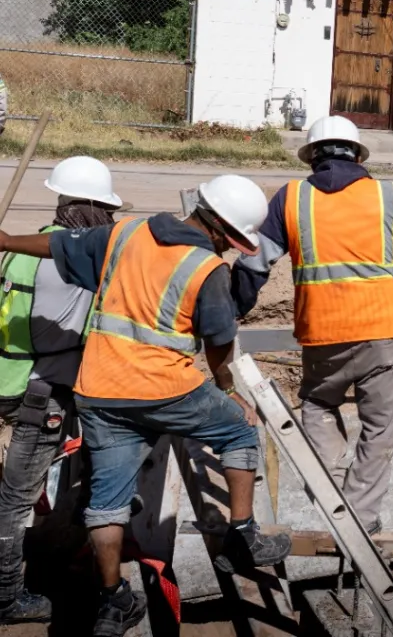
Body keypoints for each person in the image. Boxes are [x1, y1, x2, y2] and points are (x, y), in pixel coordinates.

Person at [0, 174, 292, 637]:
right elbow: (219, 342)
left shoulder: (127, 231)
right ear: (222, 231)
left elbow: (58, 248)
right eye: (233, 241)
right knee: (238, 429)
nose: (232, 250)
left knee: (107, 504)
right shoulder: (207, 269)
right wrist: (226, 388)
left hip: (97, 389)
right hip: (163, 388)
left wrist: (6, 240)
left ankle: (113, 600)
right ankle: (242, 536)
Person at [230, 116, 393, 534]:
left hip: (323, 333)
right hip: (384, 331)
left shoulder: (293, 198)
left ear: (313, 156)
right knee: (379, 427)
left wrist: (233, 309)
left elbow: (253, 261)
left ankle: (336, 497)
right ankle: (362, 517)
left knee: (318, 407)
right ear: (358, 155)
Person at [0, 157, 123, 624]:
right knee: (15, 498)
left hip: (11, 380)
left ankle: (62, 547)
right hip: (45, 390)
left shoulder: (23, 246)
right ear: (92, 210)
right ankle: (8, 597)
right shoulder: (76, 259)